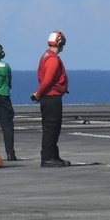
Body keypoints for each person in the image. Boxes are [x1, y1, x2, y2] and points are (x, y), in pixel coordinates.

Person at [31, 30, 70, 168]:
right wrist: (38, 94)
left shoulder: (47, 56)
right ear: (59, 42)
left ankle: (53, 155)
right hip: (51, 97)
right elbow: (47, 80)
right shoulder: (53, 59)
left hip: (51, 97)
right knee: (51, 128)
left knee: (54, 128)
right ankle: (47, 158)